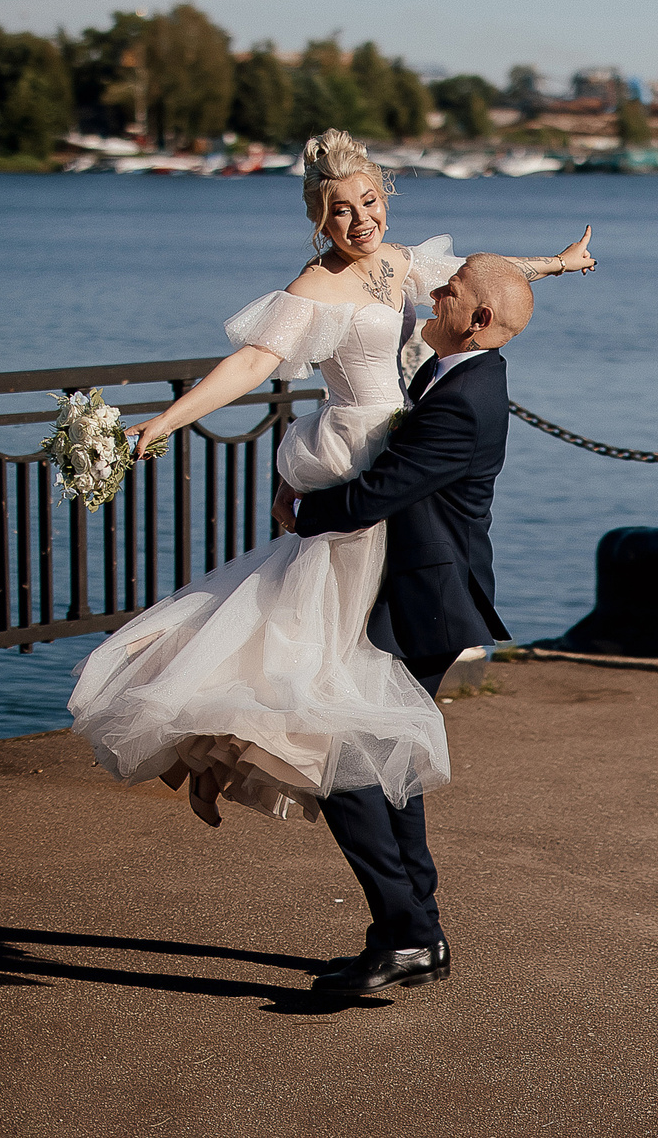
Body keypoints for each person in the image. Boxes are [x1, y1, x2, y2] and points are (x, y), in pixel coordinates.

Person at [65, 130, 591, 849]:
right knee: (309, 637)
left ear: (385, 196)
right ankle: (242, 748)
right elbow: (252, 361)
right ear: (319, 217)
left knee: (337, 644)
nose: (360, 219)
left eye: (369, 200)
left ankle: (278, 764)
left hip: (396, 455)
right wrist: (169, 418)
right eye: (340, 210)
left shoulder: (402, 264)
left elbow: (487, 281)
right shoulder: (315, 286)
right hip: (355, 456)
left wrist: (559, 263)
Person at [274, 250, 534, 993]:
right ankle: (417, 928)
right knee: (384, 759)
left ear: (478, 318)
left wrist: (301, 506)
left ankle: (409, 933)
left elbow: (379, 491)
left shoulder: (464, 399)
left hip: (425, 600)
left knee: (336, 756)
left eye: (449, 291)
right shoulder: (457, 370)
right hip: (415, 591)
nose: (437, 293)